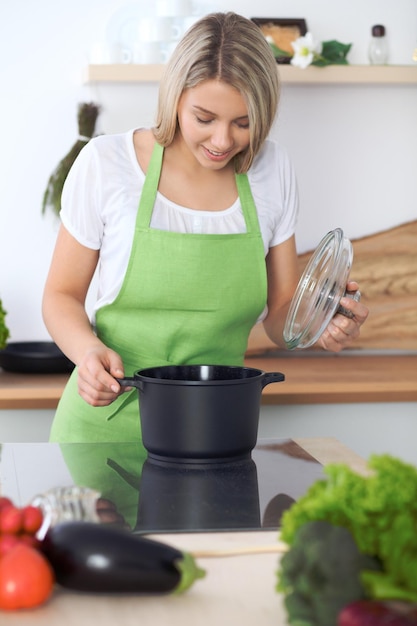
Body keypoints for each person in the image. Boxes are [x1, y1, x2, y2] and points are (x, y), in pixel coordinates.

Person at [42, 11, 369, 443]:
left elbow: (282, 311)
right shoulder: (107, 164)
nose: (222, 141)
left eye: (244, 123)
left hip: (216, 432)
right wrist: (87, 353)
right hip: (105, 428)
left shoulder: (273, 170)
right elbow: (60, 295)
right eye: (204, 118)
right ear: (175, 98)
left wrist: (321, 320)